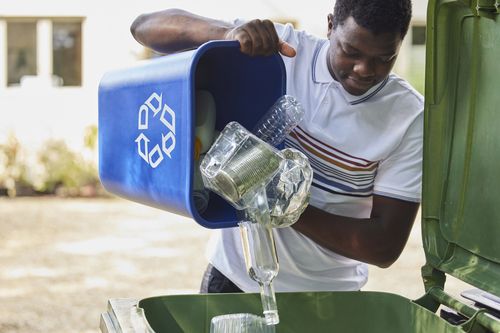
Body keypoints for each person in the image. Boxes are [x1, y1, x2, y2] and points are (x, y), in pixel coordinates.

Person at [131, 0, 423, 293]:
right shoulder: (279, 50)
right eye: (351, 52)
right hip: (235, 278)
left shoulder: (407, 116)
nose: (364, 70)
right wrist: (227, 34)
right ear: (331, 25)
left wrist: (286, 206)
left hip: (330, 295)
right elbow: (144, 27)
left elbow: (383, 247)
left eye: (384, 58)